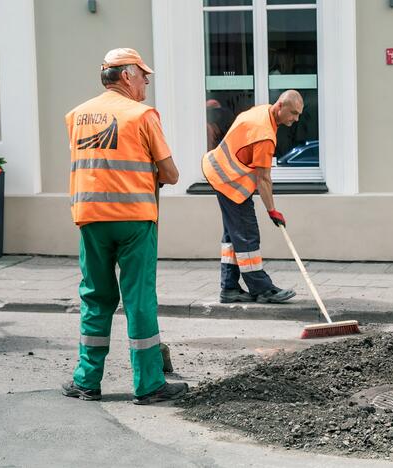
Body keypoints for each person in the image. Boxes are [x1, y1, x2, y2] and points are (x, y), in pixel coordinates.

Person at [62, 48, 188, 404]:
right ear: (126, 76)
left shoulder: (76, 116)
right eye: (143, 74)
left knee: (96, 298)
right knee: (139, 299)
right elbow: (171, 174)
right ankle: (149, 385)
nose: (147, 80)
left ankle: (86, 381)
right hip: (134, 219)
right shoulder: (142, 115)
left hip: (90, 218)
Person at [202, 90, 303, 304]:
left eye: (298, 114)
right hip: (230, 182)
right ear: (280, 106)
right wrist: (272, 211)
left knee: (233, 236)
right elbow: (263, 179)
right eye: (293, 113)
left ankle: (229, 288)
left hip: (220, 173)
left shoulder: (261, 112)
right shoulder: (264, 134)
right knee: (247, 235)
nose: (296, 119)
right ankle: (262, 289)